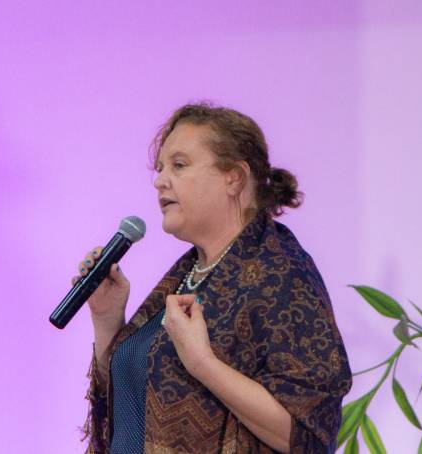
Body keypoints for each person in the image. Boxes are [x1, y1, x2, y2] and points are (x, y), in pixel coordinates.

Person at [76, 103, 352, 453]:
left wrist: (203, 364)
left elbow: (309, 436)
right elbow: (127, 413)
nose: (160, 180)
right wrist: (106, 318)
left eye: (179, 165)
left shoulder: (282, 274)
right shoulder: (188, 275)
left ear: (233, 178)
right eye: (160, 168)